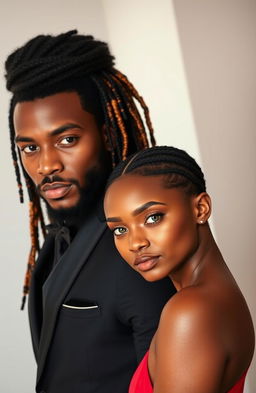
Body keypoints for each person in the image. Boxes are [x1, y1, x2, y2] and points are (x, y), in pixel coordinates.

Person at [4, 31, 175, 393]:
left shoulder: (140, 248)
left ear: (108, 134)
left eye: (67, 140)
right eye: (30, 147)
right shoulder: (58, 240)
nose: (46, 165)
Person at [104, 146, 255, 393]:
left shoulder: (192, 310)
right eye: (120, 229)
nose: (135, 243)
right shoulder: (218, 298)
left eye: (152, 217)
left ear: (200, 208)